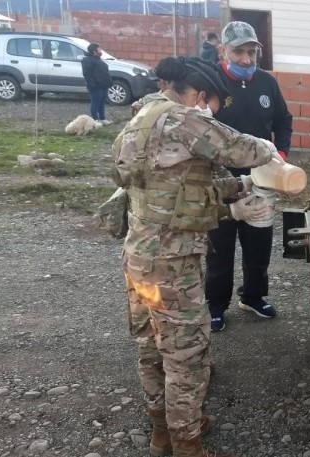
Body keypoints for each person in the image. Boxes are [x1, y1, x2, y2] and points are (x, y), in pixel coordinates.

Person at [113, 55, 284, 457]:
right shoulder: (183, 119)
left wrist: (235, 191)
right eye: (212, 105)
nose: (210, 112)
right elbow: (241, 147)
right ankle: (187, 444)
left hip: (139, 258)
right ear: (201, 96)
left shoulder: (139, 119)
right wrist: (271, 154)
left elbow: (172, 189)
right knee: (186, 355)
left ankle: (162, 432)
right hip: (172, 266)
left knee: (152, 348)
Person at [205, 20, 293, 332]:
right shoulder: (212, 82)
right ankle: (215, 305)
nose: (246, 59)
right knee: (219, 251)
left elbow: (283, 119)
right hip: (221, 182)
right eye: (238, 51)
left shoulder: (266, 83)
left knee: (258, 246)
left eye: (251, 52)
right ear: (223, 51)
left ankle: (253, 297)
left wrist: (280, 156)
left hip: (261, 181)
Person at [81, 43, 112, 125]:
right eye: (99, 49)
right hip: (96, 86)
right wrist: (92, 85)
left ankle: (102, 118)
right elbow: (87, 74)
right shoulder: (87, 60)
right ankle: (95, 119)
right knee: (95, 103)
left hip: (103, 85)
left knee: (101, 103)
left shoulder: (99, 59)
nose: (100, 51)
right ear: (94, 51)